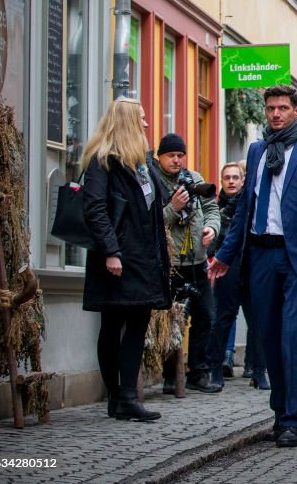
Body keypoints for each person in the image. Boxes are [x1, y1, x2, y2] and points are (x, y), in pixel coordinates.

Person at [209, 85, 297, 448]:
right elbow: (244, 213)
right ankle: (279, 412)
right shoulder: (256, 151)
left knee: (293, 337)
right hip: (261, 255)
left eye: (283, 108)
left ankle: (295, 421)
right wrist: (225, 255)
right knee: (267, 337)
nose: (276, 114)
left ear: (296, 110)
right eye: (270, 109)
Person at [81, 98, 171, 421]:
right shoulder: (102, 161)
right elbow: (94, 210)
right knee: (112, 326)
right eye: (142, 119)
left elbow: (157, 205)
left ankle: (127, 397)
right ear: (129, 122)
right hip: (118, 259)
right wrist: (110, 252)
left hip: (144, 260)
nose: (147, 125)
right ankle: (118, 396)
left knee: (137, 325)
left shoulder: (142, 163)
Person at [156, 133, 222, 393]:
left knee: (206, 316)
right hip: (170, 264)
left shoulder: (194, 179)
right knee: (172, 321)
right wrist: (173, 207)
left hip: (197, 262)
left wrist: (211, 229)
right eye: (171, 155)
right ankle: (171, 375)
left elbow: (212, 209)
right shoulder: (154, 181)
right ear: (159, 156)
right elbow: (151, 224)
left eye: (180, 155)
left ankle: (199, 372)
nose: (176, 160)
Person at [208, 161, 268, 389]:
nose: (231, 181)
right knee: (223, 317)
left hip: (253, 264)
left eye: (236, 177)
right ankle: (216, 369)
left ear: (243, 180)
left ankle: (259, 371)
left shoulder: (252, 200)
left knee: (258, 320)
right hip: (229, 265)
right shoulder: (216, 207)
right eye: (227, 178)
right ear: (222, 181)